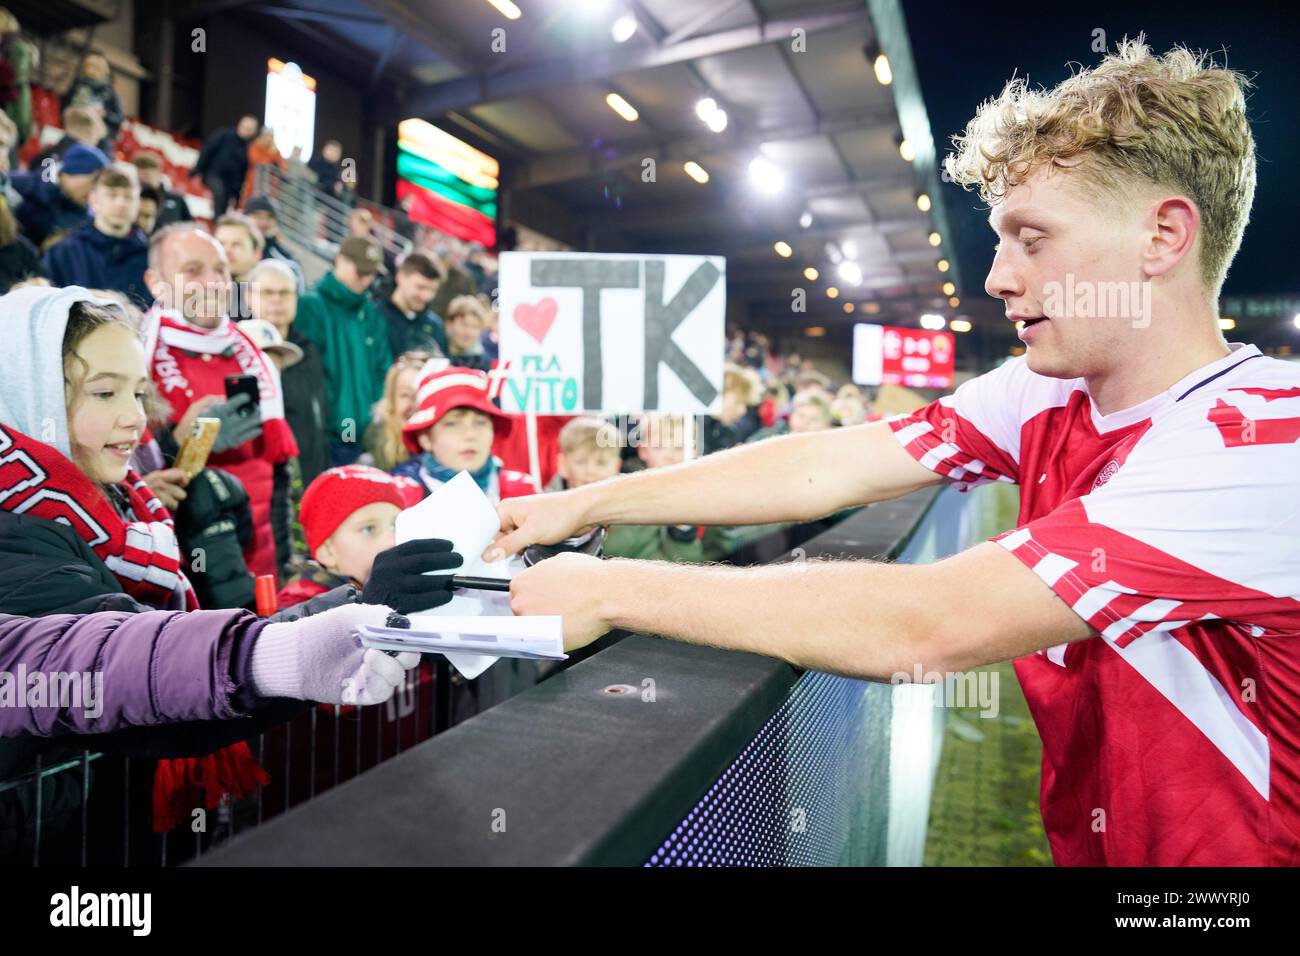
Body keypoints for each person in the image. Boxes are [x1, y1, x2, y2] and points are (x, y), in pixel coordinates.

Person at [493, 41, 1300, 868]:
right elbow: (829, 466)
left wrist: (611, 586)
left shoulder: (1265, 440)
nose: (996, 278)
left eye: (1032, 238)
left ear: (1162, 235)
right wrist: (589, 504)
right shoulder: (1048, 390)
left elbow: (928, 625)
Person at [0, 284, 458, 848]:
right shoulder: (16, 529)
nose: (135, 420)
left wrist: (345, 608)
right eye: (103, 393)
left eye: (139, 392)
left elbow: (177, 644)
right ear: (29, 393)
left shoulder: (128, 509)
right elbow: (134, 669)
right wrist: (348, 611)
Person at [142, 222, 296, 582]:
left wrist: (283, 566)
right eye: (193, 271)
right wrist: (180, 442)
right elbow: (126, 477)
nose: (213, 282)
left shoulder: (254, 353)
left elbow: (279, 476)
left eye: (221, 270)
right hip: (183, 569)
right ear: (156, 283)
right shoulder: (134, 354)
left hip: (260, 565)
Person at [293, 236, 392, 466]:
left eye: (372, 274)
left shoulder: (370, 313)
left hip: (365, 434)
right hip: (329, 434)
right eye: (360, 272)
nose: (366, 280)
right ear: (339, 261)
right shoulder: (311, 305)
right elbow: (306, 375)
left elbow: (382, 368)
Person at [391, 365, 539, 502]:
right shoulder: (399, 497)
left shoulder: (522, 493)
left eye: (480, 422)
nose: (470, 435)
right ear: (425, 438)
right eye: (452, 424)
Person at [247, 259, 330, 485]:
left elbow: (319, 416)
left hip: (308, 475)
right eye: (267, 292)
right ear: (248, 298)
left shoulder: (309, 350)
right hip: (259, 480)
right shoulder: (236, 351)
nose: (277, 299)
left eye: (285, 293)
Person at [43, 165, 150, 306]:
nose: (120, 204)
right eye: (112, 195)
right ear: (93, 199)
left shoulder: (152, 259)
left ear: (138, 203)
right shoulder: (63, 252)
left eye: (128, 196)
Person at [10, 142, 107, 249]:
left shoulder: (88, 220)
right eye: (93, 180)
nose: (94, 191)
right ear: (71, 172)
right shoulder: (17, 185)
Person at [363, 350, 428, 472]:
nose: (414, 404)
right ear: (392, 401)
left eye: (421, 394)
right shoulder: (373, 458)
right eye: (405, 395)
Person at [373, 252, 447, 359]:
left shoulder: (435, 325)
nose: (427, 296)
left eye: (432, 290)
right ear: (400, 277)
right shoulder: (374, 317)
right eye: (420, 287)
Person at [192, 114, 258, 218]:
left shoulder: (248, 149)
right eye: (244, 126)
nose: (245, 130)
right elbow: (207, 150)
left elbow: (241, 174)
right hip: (212, 175)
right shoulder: (224, 134)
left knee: (225, 201)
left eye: (249, 128)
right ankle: (217, 223)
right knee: (220, 192)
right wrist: (197, 170)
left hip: (229, 184)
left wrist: (236, 195)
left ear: (253, 132)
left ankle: (219, 225)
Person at [59, 51, 122, 152]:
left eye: (96, 68)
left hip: (98, 141)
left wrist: (104, 114)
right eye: (89, 66)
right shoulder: (75, 88)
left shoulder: (110, 94)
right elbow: (63, 110)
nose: (92, 71)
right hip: (74, 135)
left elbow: (118, 118)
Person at [242, 193, 304, 291]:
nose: (263, 222)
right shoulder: (231, 252)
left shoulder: (287, 261)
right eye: (257, 216)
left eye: (269, 217)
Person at [214, 211, 263, 320]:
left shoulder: (267, 297)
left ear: (257, 254)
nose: (226, 250)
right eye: (221, 243)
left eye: (237, 244)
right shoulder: (201, 294)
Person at [28, 105, 104, 173]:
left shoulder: (45, 154)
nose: (95, 143)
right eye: (96, 138)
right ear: (89, 131)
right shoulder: (87, 160)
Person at [132, 151, 192, 229]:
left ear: (159, 174)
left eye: (147, 174)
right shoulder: (134, 199)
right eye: (140, 175)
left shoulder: (177, 200)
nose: (143, 179)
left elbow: (190, 227)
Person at [442, 294, 490, 371]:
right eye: (464, 324)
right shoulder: (438, 357)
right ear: (449, 324)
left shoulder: (486, 364)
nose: (468, 332)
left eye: (474, 327)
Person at [241, 126, 285, 206]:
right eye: (266, 135)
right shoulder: (255, 146)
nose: (268, 138)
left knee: (269, 204)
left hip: (270, 183)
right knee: (251, 202)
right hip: (254, 181)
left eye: (270, 136)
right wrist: (269, 163)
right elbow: (254, 160)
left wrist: (281, 171)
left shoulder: (275, 151)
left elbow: (282, 165)